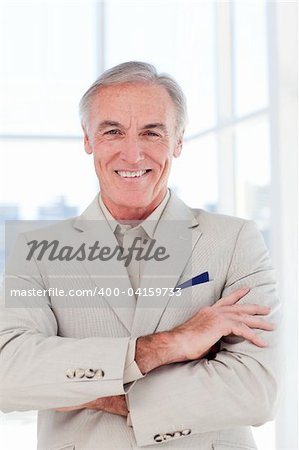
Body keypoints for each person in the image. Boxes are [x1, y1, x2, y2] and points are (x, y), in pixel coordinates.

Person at [0, 61, 280, 450]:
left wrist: (80, 390)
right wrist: (171, 345)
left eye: (152, 132)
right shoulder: (36, 250)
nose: (133, 155)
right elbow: (9, 376)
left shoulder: (235, 240)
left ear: (178, 141)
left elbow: (256, 390)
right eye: (113, 131)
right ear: (88, 139)